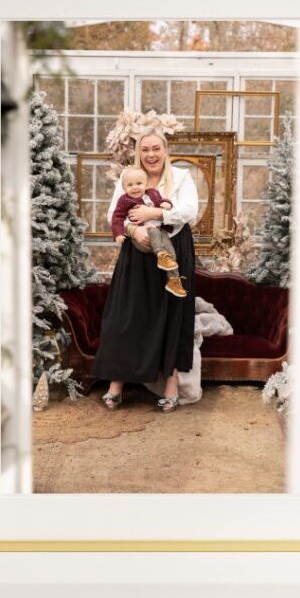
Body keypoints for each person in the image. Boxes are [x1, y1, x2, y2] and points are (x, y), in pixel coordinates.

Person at [93, 129, 199, 412]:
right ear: (139, 152)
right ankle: (116, 384)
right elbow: (111, 214)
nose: (151, 155)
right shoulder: (129, 177)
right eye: (145, 149)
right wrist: (132, 230)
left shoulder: (181, 177)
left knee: (173, 313)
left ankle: (171, 384)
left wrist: (155, 214)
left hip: (175, 248)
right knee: (125, 313)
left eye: (156, 149)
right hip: (136, 250)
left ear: (165, 150)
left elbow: (191, 211)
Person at [110, 166, 187, 298]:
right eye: (130, 185)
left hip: (159, 230)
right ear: (124, 188)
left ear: (146, 184)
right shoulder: (124, 200)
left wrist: (167, 204)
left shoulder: (153, 193)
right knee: (153, 231)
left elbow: (162, 201)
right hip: (142, 237)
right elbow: (116, 217)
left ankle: (173, 280)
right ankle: (161, 255)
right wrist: (118, 233)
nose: (135, 187)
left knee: (171, 251)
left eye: (139, 183)